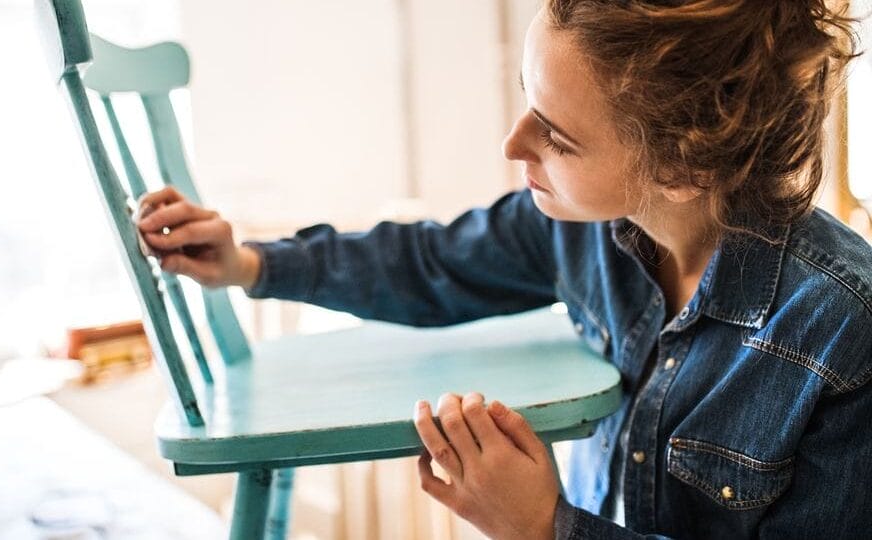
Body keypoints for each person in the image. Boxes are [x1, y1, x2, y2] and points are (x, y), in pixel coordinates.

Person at [136, 1, 871, 538]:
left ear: (681, 169)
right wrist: (250, 264)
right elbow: (431, 263)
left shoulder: (842, 332)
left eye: (555, 136)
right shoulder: (579, 231)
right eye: (528, 98)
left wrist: (545, 527)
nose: (512, 144)